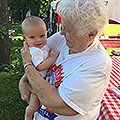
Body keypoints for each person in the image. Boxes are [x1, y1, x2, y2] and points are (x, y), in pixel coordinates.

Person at [19, 0, 112, 120]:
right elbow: (38, 59)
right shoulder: (62, 39)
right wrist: (23, 80)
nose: (61, 33)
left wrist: (27, 65)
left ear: (91, 34)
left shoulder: (97, 63)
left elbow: (55, 102)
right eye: (63, 27)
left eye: (68, 30)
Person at [21, 16, 59, 120]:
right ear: (25, 38)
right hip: (35, 81)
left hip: (41, 80)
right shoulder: (35, 51)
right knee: (34, 105)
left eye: (42, 35)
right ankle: (28, 114)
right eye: (32, 37)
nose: (38, 40)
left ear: (47, 33)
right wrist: (52, 58)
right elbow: (40, 66)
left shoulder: (42, 47)